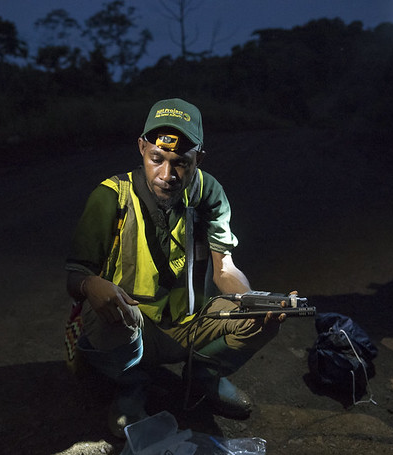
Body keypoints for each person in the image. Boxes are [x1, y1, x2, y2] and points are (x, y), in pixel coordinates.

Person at [65, 98, 288, 437]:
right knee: (112, 312)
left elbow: (224, 269)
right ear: (141, 148)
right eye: (157, 159)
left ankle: (202, 377)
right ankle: (132, 385)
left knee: (262, 318)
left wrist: (256, 303)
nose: (167, 175)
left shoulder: (208, 192)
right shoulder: (111, 196)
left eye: (181, 163)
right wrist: (91, 286)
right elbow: (76, 275)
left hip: (189, 321)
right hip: (132, 324)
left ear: (199, 158)